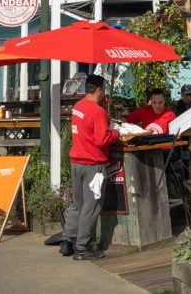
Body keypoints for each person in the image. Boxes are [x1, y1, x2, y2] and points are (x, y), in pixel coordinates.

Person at [62, 75, 120, 260]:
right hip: (93, 165)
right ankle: (82, 247)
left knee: (77, 204)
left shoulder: (78, 106)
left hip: (76, 161)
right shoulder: (98, 112)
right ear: (100, 89)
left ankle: (68, 240)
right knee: (92, 206)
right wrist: (116, 133)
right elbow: (102, 139)